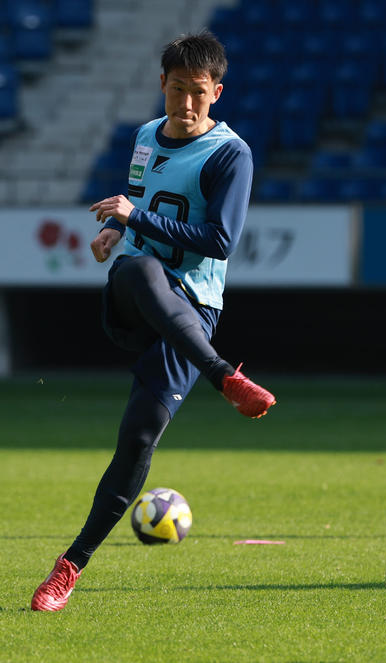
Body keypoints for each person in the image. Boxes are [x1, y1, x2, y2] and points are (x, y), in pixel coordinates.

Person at [31, 31, 276, 612]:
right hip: (136, 297)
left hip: (191, 310)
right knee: (139, 267)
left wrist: (132, 216)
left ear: (216, 93)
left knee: (139, 437)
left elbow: (221, 240)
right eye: (176, 89)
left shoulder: (230, 154)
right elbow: (139, 203)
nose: (186, 104)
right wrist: (114, 230)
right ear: (161, 83)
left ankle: (69, 567)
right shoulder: (146, 136)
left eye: (198, 92)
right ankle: (225, 378)